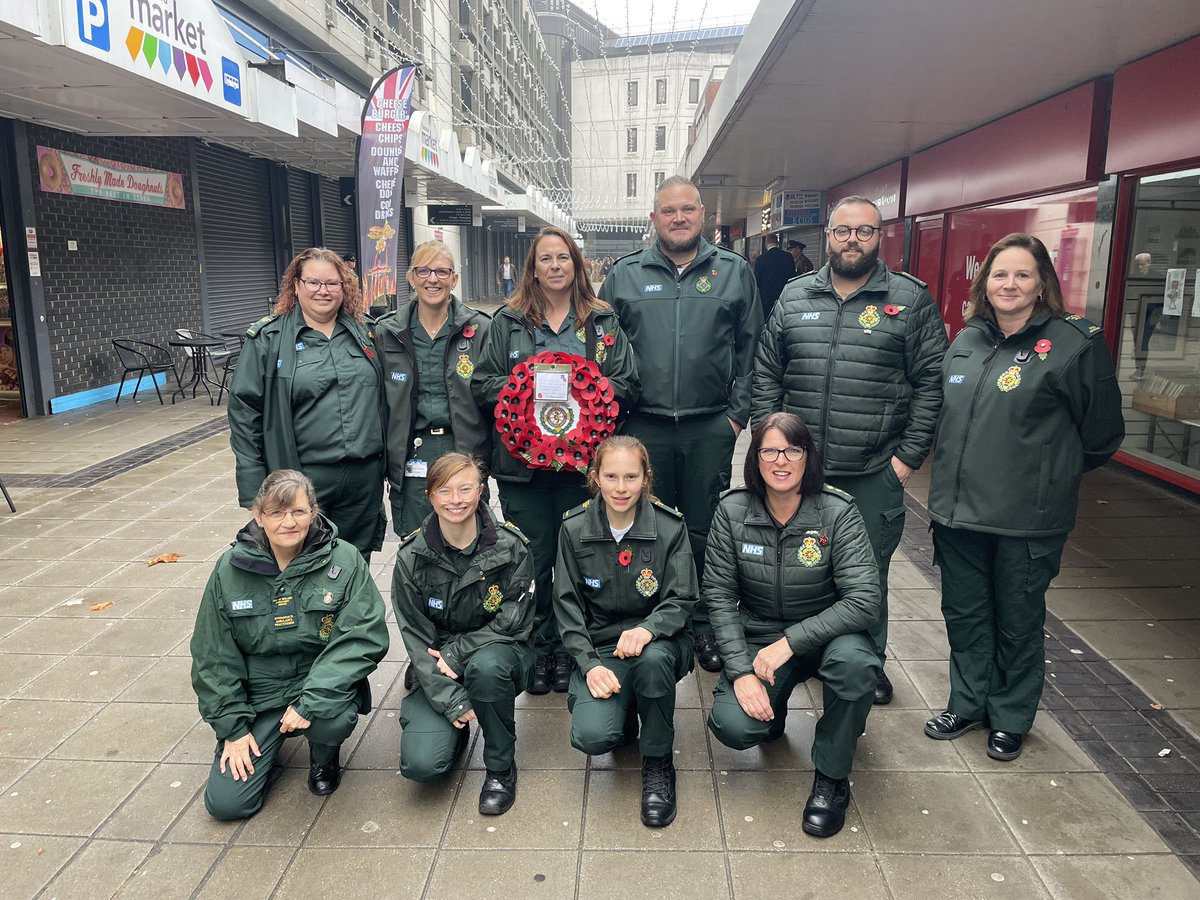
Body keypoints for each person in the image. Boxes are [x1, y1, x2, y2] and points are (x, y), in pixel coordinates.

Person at [923, 233, 1124, 761]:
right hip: (958, 513)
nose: (1009, 284)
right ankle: (967, 703)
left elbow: (1101, 435)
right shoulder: (967, 339)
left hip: (1026, 519)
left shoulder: (1073, 344)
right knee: (965, 615)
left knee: (1017, 619)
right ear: (983, 284)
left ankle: (1009, 715)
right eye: (999, 274)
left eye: (1022, 275)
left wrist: (1046, 474)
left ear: (1042, 285)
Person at [752, 196, 947, 706]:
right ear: (828, 237)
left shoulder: (909, 300)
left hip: (871, 469)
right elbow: (767, 374)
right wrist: (766, 446)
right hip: (798, 471)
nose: (852, 240)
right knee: (800, 566)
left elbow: (931, 382)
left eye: (864, 231)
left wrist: (906, 459)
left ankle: (865, 663)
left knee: (866, 574)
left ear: (880, 236)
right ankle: (803, 655)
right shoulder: (794, 297)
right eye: (843, 231)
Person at [600, 175, 763, 676]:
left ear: (703, 215)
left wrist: (735, 418)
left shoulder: (734, 273)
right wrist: (612, 422)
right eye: (668, 210)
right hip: (640, 429)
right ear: (653, 218)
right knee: (644, 529)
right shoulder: (623, 276)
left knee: (705, 531)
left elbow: (752, 349)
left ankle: (705, 626)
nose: (678, 218)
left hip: (708, 426)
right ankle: (649, 621)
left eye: (687, 210)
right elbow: (600, 352)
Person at [473, 226, 640, 695]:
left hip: (582, 471)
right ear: (532, 267)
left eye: (563, 257)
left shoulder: (601, 321)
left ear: (577, 264)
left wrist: (591, 388)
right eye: (545, 258)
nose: (554, 266)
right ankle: (539, 647)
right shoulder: (507, 321)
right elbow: (482, 384)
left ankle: (572, 650)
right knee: (532, 558)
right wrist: (522, 388)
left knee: (577, 558)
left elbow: (629, 383)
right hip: (523, 469)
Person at [705, 413, 881, 838]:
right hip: (760, 632)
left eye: (792, 450)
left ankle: (831, 776)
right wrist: (740, 672)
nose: (780, 460)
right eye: (769, 450)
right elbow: (718, 596)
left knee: (857, 669)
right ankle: (773, 709)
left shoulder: (837, 511)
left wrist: (792, 641)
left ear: (807, 456)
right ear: (756, 457)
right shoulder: (732, 510)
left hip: (829, 633)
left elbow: (864, 601)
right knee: (734, 724)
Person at [190, 469, 389, 820]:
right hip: (260, 692)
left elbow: (362, 638)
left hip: (317, 682)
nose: (289, 522)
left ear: (314, 512)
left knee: (333, 718)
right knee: (227, 805)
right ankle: (264, 741)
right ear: (258, 515)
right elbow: (212, 655)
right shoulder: (229, 569)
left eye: (298, 511)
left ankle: (324, 756)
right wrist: (233, 728)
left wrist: (311, 702)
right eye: (276, 513)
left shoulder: (343, 559)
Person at [554, 436, 697, 827]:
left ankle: (658, 764)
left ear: (646, 477)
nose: (621, 488)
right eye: (611, 476)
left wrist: (649, 629)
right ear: (594, 477)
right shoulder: (574, 527)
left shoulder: (669, 527)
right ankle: (627, 706)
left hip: (663, 643)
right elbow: (566, 606)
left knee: (651, 663)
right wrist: (587, 665)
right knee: (593, 737)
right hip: (602, 647)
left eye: (631, 477)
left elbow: (683, 598)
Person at [392, 453, 535, 815]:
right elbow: (415, 638)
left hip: (500, 652)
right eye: (445, 490)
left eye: (465, 489)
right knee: (422, 765)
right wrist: (449, 698)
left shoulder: (512, 546)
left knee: (486, 670)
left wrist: (458, 653)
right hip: (438, 666)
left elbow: (514, 619)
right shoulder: (412, 556)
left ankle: (501, 768)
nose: (456, 500)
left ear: (481, 491)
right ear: (430, 496)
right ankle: (458, 720)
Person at [228, 247, 386, 560]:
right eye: (313, 282)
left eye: (332, 284)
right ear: (296, 285)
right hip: (302, 479)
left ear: (344, 288)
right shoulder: (268, 340)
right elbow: (244, 412)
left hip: (363, 479)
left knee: (356, 561)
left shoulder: (367, 333)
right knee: (301, 562)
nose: (322, 291)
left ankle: (350, 611)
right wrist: (253, 486)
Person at [376, 241, 491, 538]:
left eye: (442, 271)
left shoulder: (480, 329)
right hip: (412, 452)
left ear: (454, 279)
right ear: (411, 277)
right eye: (423, 270)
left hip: (464, 448)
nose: (433, 279)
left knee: (470, 539)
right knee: (417, 542)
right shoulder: (387, 332)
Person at [755, 234, 798, 320]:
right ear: (777, 243)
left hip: (766, 300)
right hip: (784, 298)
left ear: (766, 243)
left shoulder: (761, 259)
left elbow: (757, 281)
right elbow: (793, 277)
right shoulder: (788, 257)